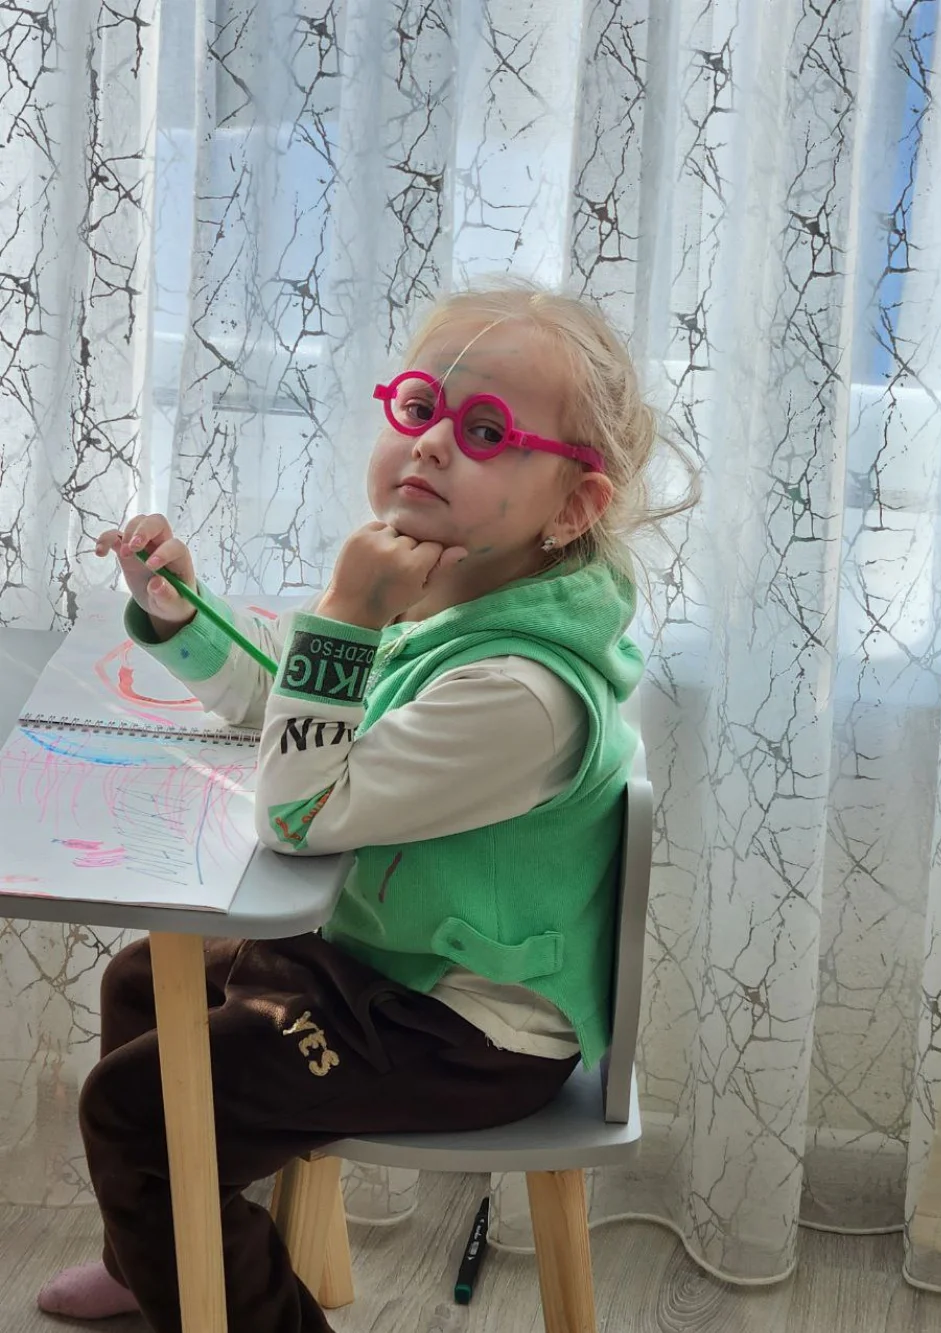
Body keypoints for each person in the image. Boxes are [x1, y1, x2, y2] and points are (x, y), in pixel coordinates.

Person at [37, 281, 695, 1332]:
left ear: (573, 506)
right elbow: (291, 706)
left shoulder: (518, 692)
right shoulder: (450, 593)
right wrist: (184, 618)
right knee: (143, 983)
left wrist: (347, 615)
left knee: (135, 1109)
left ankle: (204, 1270)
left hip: (463, 1030)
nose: (431, 442)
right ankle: (158, 1256)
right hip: (384, 964)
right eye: (421, 407)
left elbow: (299, 812)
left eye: (485, 431)